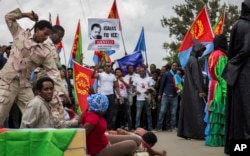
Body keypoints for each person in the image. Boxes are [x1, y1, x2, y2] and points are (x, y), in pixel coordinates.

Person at [0, 8, 67, 127]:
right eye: (44, 33)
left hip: (24, 86)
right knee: (1, 114)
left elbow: (53, 72)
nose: (46, 37)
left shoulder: (45, 52)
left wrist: (61, 90)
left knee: (37, 112)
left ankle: (32, 141)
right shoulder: (20, 34)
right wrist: (26, 15)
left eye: (48, 35)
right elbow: (8, 17)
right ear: (37, 30)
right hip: (6, 82)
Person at [222, 0, 250, 154]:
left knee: (238, 112)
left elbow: (236, 49)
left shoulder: (237, 25)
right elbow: (245, 49)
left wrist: (232, 64)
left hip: (238, 73)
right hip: (244, 72)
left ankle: (238, 148)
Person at [177, 39, 206, 140]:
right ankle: (198, 133)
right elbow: (196, 77)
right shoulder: (193, 60)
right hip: (194, 90)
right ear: (197, 49)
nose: (202, 52)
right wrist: (201, 90)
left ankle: (187, 132)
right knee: (197, 111)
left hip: (189, 90)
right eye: (201, 50)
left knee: (189, 111)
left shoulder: (190, 59)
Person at [204, 34, 228, 147]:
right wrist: (226, 92)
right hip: (219, 86)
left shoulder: (212, 55)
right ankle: (220, 140)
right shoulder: (222, 56)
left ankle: (213, 139)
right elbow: (223, 76)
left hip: (213, 84)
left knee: (213, 112)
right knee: (220, 112)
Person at [91, 62, 122, 130]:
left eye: (109, 66)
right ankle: (100, 127)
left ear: (111, 67)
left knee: (111, 113)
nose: (108, 67)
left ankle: (109, 128)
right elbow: (92, 76)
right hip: (102, 96)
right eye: (107, 66)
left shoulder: (113, 76)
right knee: (101, 113)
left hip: (111, 96)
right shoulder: (100, 74)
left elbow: (116, 86)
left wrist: (119, 96)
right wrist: (95, 69)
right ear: (104, 67)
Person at [156, 62, 179, 132]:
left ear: (177, 67)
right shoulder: (167, 74)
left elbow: (180, 85)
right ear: (171, 66)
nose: (174, 67)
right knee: (162, 111)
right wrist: (160, 94)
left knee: (173, 113)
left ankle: (172, 127)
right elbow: (162, 84)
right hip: (166, 95)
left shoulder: (178, 75)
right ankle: (159, 127)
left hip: (174, 96)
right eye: (173, 65)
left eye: (176, 66)